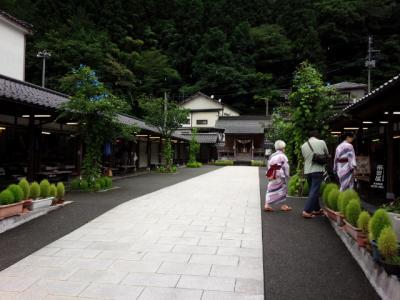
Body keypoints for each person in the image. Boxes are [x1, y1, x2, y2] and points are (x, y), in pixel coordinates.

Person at [301, 130, 329, 218]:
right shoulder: (321, 142)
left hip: (307, 171)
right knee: (314, 190)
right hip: (317, 170)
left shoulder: (303, 145)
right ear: (317, 136)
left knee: (313, 190)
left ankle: (317, 209)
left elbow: (305, 158)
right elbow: (327, 153)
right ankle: (307, 210)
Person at [264, 140, 291, 212]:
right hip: (280, 174)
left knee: (270, 188)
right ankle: (283, 205)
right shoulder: (283, 156)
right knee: (283, 189)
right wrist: (287, 175)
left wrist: (269, 174)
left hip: (272, 174)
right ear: (282, 148)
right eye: (284, 148)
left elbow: (268, 165)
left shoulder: (272, 156)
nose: (284, 149)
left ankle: (267, 204)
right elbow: (286, 166)